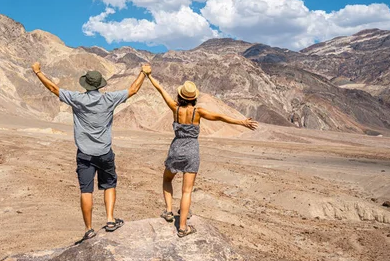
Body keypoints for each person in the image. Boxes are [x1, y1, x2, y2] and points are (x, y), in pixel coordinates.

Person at [32, 62, 150, 241]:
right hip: (104, 152)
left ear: (86, 85)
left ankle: (89, 229)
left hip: (85, 154)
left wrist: (38, 72)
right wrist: (143, 72)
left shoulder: (77, 99)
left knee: (86, 190)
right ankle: (110, 220)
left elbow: (53, 88)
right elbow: (133, 90)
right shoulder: (109, 99)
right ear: (100, 85)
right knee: (109, 184)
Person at [145, 72, 258, 237]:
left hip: (176, 148)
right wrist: (241, 122)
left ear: (180, 95)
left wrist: (149, 76)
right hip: (192, 150)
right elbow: (220, 117)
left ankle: (169, 211)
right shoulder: (198, 112)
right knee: (187, 191)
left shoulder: (174, 108)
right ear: (193, 97)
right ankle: (183, 227)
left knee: (167, 179)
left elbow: (161, 90)